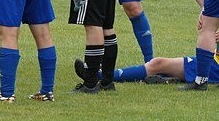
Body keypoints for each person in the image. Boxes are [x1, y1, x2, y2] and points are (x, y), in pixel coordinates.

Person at [75, 31, 219, 85]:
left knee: (156, 64)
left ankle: (100, 76)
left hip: (215, 66)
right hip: (212, 59)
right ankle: (167, 78)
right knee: (158, 64)